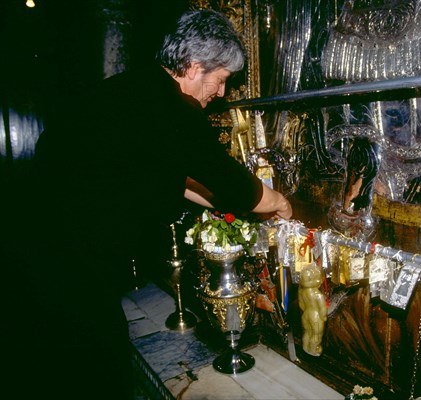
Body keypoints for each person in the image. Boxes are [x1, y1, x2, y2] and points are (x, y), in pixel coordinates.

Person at [0, 9, 291, 400]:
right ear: (193, 66)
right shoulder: (169, 107)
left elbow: (177, 176)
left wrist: (219, 203)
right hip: (63, 261)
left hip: (37, 246)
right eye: (220, 80)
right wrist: (278, 202)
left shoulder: (135, 89)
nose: (221, 93)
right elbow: (228, 181)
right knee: (98, 370)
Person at [298, 265, 328, 356]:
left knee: (307, 332)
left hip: (306, 314)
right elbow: (322, 307)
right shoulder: (317, 293)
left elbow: (301, 305)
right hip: (315, 316)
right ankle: (313, 350)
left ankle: (305, 347)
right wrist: (323, 317)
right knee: (316, 335)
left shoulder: (302, 292)